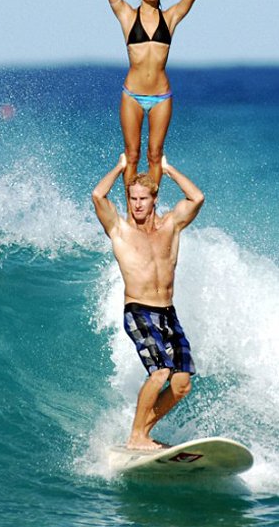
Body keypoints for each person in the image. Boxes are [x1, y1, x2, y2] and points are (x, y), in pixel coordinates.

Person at [80, 0, 230, 189]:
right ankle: (132, 208)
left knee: (155, 156)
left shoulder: (170, 18)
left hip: (161, 96)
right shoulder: (127, 15)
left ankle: (150, 208)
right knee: (132, 155)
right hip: (132, 96)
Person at [92, 152, 205, 450]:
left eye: (143, 198)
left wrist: (168, 169)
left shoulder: (171, 226)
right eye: (133, 199)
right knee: (160, 372)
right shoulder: (120, 230)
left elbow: (197, 198)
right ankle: (137, 437)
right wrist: (119, 167)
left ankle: (142, 432)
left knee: (181, 384)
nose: (137, 204)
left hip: (168, 313)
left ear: (155, 199)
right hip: (139, 310)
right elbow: (98, 196)